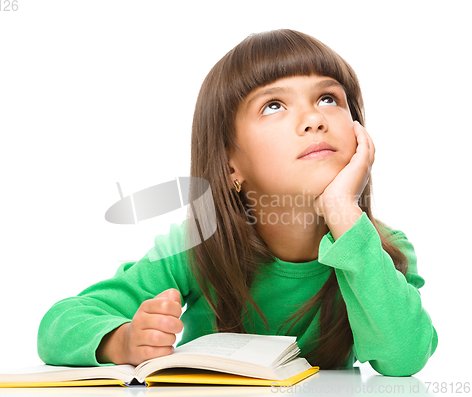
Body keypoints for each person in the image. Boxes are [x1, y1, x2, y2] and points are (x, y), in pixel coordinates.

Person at [37, 29, 438, 377]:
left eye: (329, 98)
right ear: (231, 164)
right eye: (274, 105)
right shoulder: (196, 248)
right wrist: (121, 342)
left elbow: (404, 358)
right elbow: (58, 325)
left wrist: (345, 213)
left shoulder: (379, 248)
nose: (314, 118)